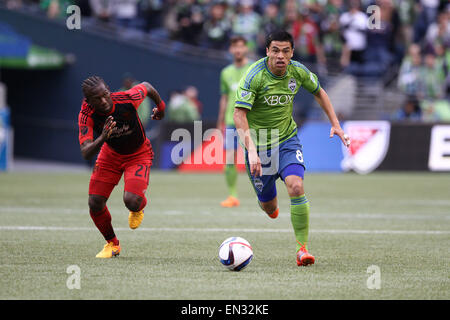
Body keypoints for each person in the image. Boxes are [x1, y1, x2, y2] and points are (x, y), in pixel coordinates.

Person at [233, 30, 350, 267]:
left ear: (292, 53)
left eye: (286, 51)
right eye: (275, 50)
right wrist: (252, 151)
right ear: (267, 51)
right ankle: (267, 203)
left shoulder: (298, 71)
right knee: (269, 206)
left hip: (287, 140)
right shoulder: (254, 76)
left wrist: (335, 124)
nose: (280, 56)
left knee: (296, 186)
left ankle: (302, 249)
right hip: (259, 146)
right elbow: (239, 114)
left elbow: (320, 93)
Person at [78, 76, 165, 258]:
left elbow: (147, 86)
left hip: (138, 153)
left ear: (108, 90)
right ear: (88, 101)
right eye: (97, 98)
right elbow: (86, 151)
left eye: (105, 94)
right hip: (110, 154)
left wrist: (161, 107)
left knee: (132, 201)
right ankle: (112, 244)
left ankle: (138, 207)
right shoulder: (86, 113)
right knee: (94, 202)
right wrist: (102, 138)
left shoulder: (127, 98)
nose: (103, 101)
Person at [216, 36, 252, 208]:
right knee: (229, 159)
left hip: (251, 121)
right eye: (235, 46)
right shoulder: (225, 72)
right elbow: (224, 98)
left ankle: (264, 195)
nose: (238, 50)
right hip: (231, 122)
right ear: (231, 50)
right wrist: (220, 121)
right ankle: (232, 195)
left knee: (256, 158)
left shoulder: (253, 69)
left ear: (246, 48)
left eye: (241, 46)